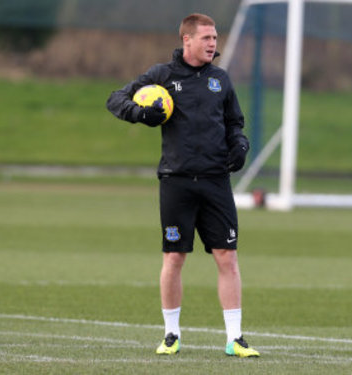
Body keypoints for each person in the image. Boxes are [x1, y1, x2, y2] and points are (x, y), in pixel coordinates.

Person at [106, 13, 259, 357]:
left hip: (215, 181)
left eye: (215, 38)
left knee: (227, 256)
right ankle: (171, 335)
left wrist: (240, 145)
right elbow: (116, 99)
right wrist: (139, 113)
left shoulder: (221, 79)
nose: (213, 44)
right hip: (176, 182)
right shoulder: (161, 76)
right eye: (206, 38)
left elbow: (235, 123)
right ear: (186, 40)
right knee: (174, 257)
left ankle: (235, 339)